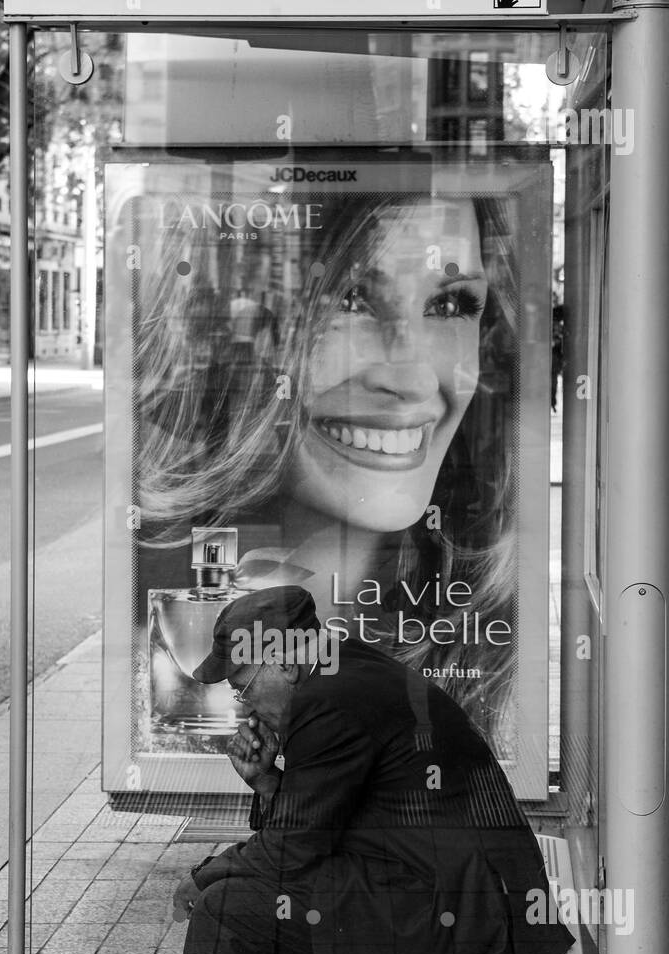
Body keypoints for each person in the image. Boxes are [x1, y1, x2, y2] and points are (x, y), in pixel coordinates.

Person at [145, 585, 573, 954]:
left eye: (242, 684)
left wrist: (200, 878)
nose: (243, 704)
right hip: (469, 886)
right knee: (269, 897)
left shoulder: (328, 703)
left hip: (472, 911)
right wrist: (269, 781)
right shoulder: (343, 666)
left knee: (230, 912)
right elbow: (310, 834)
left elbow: (291, 851)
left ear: (281, 657)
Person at [132, 188, 519, 755]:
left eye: (451, 304)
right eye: (350, 299)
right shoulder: (157, 631)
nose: (412, 379)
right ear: (223, 330)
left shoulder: (487, 650)